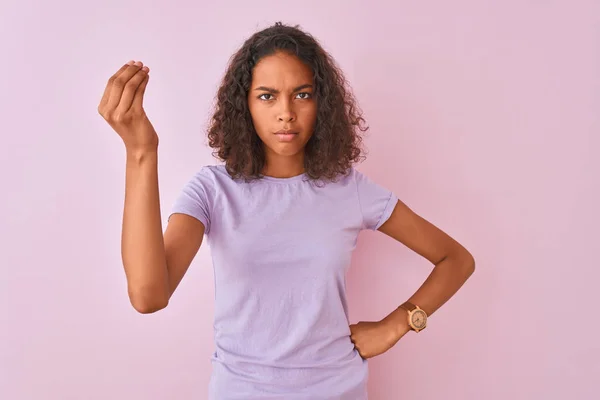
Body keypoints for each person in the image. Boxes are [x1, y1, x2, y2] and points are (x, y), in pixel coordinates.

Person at [98, 22, 475, 400]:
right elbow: (149, 296)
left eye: (302, 95)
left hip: (337, 390)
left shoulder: (350, 190)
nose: (286, 113)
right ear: (243, 104)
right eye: (266, 96)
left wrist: (398, 323)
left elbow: (455, 259)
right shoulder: (213, 190)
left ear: (321, 103)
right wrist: (141, 153)